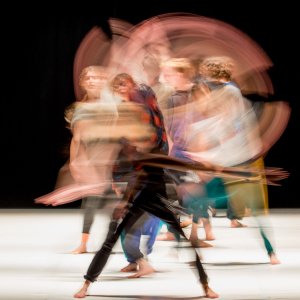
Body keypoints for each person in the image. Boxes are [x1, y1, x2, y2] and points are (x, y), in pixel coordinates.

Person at [74, 73, 218, 298]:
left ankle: (206, 286)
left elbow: (157, 163)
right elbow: (132, 163)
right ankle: (87, 284)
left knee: (183, 240)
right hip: (140, 191)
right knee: (112, 238)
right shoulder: (135, 127)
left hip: (153, 192)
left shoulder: (153, 131)